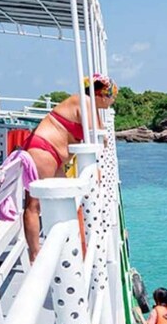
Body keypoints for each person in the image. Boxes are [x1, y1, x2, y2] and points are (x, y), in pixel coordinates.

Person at [22, 73, 118, 262]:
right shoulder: (85, 102)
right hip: (44, 150)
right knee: (34, 205)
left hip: (52, 154)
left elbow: (100, 137)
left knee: (69, 200)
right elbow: (99, 136)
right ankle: (34, 254)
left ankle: (64, 246)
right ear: (101, 94)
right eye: (112, 96)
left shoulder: (89, 104)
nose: (113, 101)